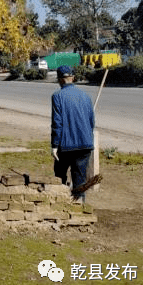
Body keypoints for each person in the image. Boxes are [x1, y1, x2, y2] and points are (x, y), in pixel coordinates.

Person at [51, 65, 95, 202]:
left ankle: (60, 202)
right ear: (73, 78)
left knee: (59, 175)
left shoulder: (57, 96)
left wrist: (54, 145)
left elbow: (57, 123)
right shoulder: (85, 96)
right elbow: (92, 122)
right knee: (80, 179)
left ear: (60, 80)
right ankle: (79, 206)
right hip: (85, 144)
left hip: (66, 145)